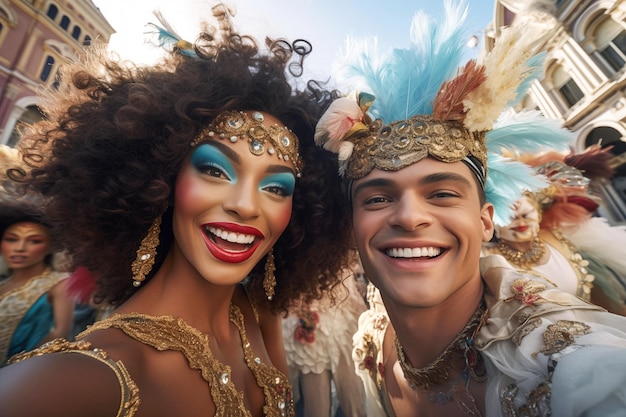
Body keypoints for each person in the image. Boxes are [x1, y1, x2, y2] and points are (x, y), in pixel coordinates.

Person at [0, 5, 352, 417]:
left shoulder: (255, 313)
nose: (244, 204)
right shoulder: (78, 383)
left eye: (276, 187)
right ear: (161, 181)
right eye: (215, 170)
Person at [314, 2, 626, 416]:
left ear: (484, 222)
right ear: (352, 229)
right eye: (377, 198)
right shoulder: (374, 336)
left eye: (442, 194)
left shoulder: (575, 368)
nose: (409, 217)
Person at [282, 251, 366, 417]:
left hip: (343, 319)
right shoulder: (297, 238)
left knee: (354, 397)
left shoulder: (340, 235)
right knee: (317, 406)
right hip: (308, 322)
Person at [0, 198, 74, 366]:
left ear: (50, 246)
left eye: (34, 241)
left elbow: (60, 334)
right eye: (11, 239)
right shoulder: (3, 285)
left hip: (22, 377)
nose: (20, 248)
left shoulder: (59, 284)